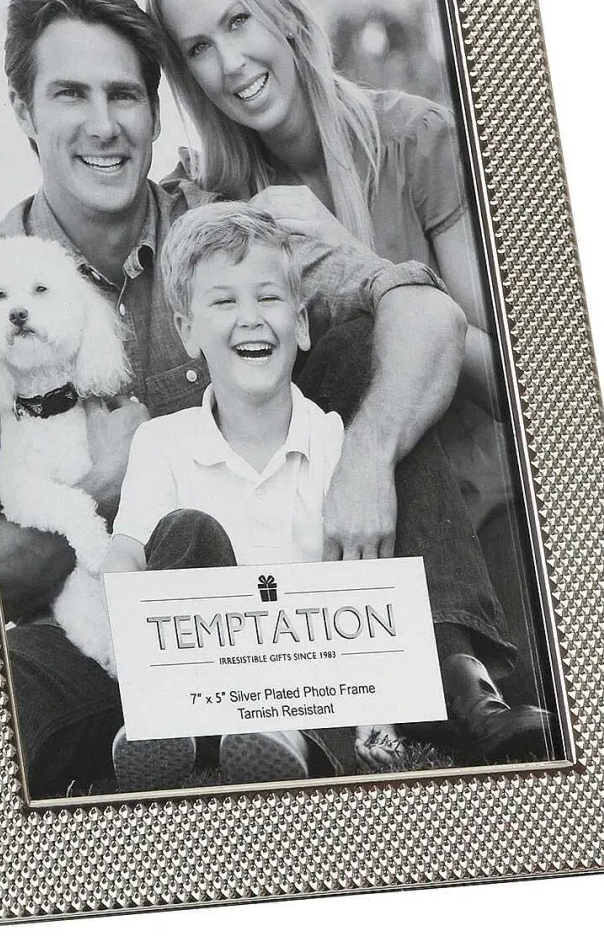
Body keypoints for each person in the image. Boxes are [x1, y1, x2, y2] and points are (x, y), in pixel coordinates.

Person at [0, 0, 547, 798]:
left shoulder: (232, 226)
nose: (104, 125)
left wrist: (366, 456)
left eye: (124, 96)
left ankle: (455, 678)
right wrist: (103, 488)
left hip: (296, 604)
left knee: (362, 351)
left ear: (155, 112)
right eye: (69, 95)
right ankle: (159, 751)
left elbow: (424, 317)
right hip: (115, 630)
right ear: (24, 111)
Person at [147, 0, 548, 706]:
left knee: (539, 700)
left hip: (481, 504)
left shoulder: (415, 140)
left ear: (283, 13)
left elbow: (515, 389)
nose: (230, 64)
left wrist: (358, 268)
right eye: (198, 48)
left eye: (238, 21)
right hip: (328, 537)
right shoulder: (220, 209)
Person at [104, 202, 407, 790]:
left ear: (301, 322)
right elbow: (127, 553)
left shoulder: (335, 443)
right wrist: (129, 626)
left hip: (305, 678)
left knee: (327, 680)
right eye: (223, 302)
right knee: (186, 530)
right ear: (187, 332)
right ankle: (165, 725)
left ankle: (280, 740)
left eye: (268, 298)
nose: (250, 318)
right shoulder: (161, 442)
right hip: (200, 672)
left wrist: (380, 710)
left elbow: (364, 589)